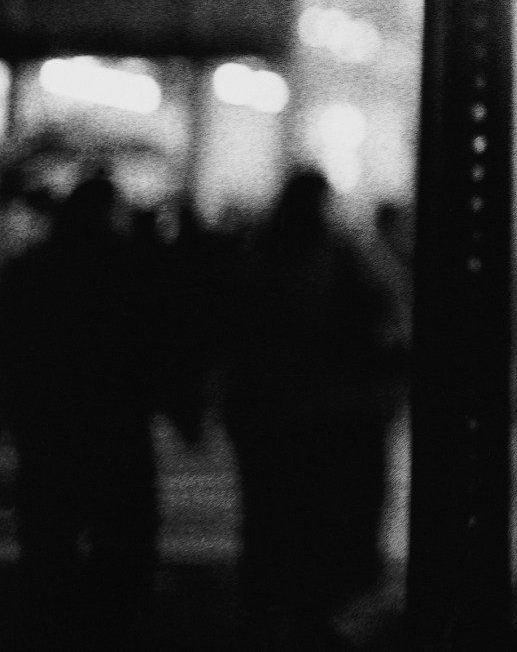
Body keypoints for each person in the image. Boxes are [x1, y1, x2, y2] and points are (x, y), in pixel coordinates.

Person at [0, 172, 189, 649]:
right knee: (122, 530)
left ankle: (46, 620)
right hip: (116, 419)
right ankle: (115, 621)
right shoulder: (131, 268)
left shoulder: (32, 267)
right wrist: (179, 405)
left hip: (48, 419)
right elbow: (161, 343)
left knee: (48, 532)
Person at [219, 168, 407, 650]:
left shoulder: (256, 258)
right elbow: (388, 322)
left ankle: (263, 610)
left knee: (267, 518)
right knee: (324, 519)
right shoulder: (346, 257)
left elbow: (232, 340)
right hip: (333, 412)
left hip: (268, 412)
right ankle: (312, 614)